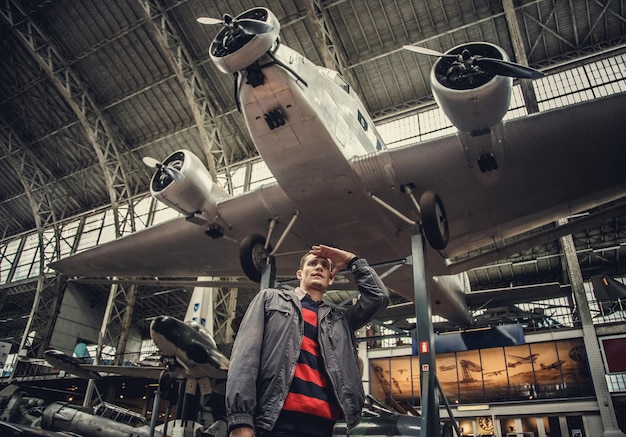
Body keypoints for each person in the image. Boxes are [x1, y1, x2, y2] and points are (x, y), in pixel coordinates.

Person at [226, 245, 389, 437]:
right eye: (312, 264)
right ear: (299, 274)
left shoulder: (340, 320)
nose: (318, 267)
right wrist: (240, 419)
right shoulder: (270, 299)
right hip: (275, 425)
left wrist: (352, 261)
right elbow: (245, 357)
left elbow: (378, 297)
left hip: (326, 428)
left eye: (324, 266)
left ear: (331, 278)